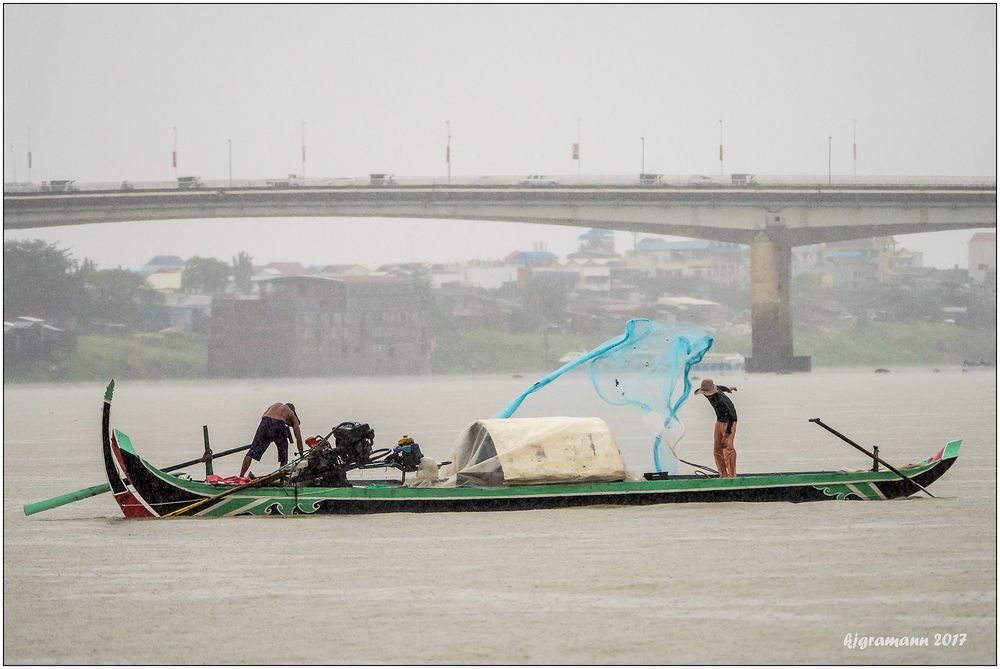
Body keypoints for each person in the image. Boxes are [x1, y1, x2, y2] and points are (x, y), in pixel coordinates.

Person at [239, 402, 304, 478]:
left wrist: (270, 436)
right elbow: (298, 438)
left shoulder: (275, 405)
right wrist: (301, 455)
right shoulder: (292, 414)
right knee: (284, 456)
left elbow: (265, 418)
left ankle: (240, 477)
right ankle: (281, 481)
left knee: (251, 452)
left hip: (265, 421)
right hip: (278, 424)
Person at [694, 378, 738, 478]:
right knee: (717, 449)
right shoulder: (707, 390)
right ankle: (723, 474)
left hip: (730, 421)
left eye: (709, 393)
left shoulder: (721, 400)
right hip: (719, 420)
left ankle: (732, 475)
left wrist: (726, 435)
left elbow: (730, 417)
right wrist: (727, 389)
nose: (708, 395)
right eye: (705, 393)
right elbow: (719, 387)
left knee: (728, 447)